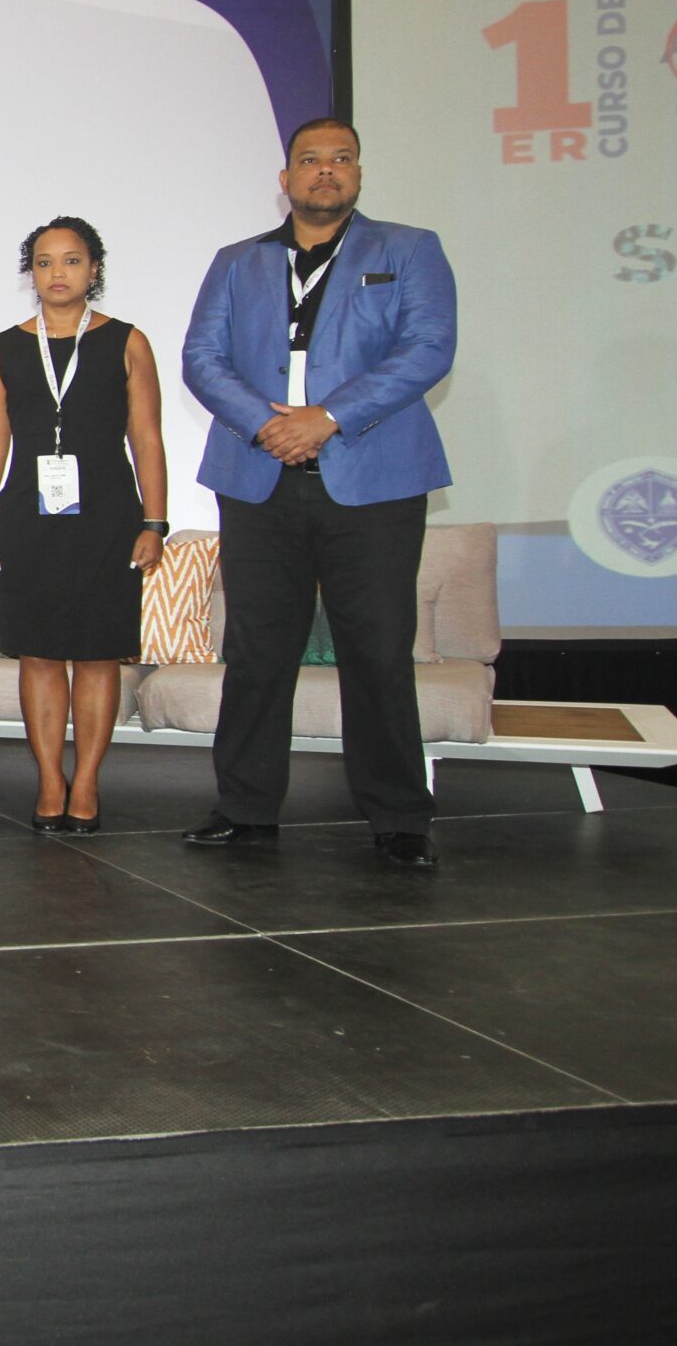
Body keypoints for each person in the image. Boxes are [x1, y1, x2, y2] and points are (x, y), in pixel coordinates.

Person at [180, 117, 457, 870]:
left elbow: (429, 347)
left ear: (359, 174)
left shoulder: (409, 249)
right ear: (286, 178)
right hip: (259, 478)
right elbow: (202, 357)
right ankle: (244, 808)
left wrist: (326, 419)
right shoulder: (237, 261)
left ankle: (399, 817)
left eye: (341, 159)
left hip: (373, 482)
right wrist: (267, 426)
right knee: (256, 650)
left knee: (378, 651)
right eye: (310, 160)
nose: (325, 171)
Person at [0, 218, 168, 835]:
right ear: (31, 273)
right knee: (39, 654)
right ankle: (51, 779)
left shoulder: (128, 342)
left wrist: (155, 521)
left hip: (108, 517)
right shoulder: (4, 347)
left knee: (99, 654)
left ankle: (87, 782)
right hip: (27, 519)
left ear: (94, 269)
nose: (58, 273)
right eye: (45, 261)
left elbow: (146, 437)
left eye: (72, 260)